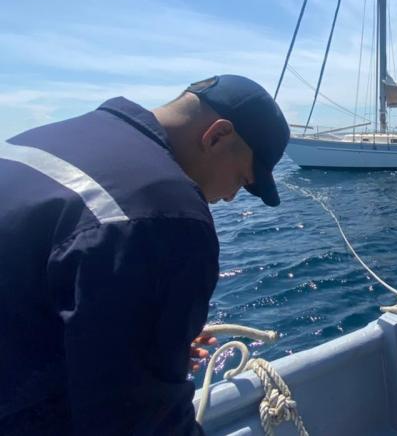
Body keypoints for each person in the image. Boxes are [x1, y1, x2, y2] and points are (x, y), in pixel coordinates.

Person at [0, 75, 290, 435]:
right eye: (243, 180)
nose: (232, 197)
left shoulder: (40, 140)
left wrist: (145, 344)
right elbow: (140, 422)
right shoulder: (165, 216)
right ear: (217, 136)